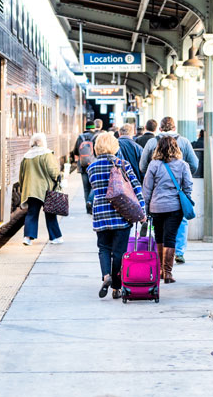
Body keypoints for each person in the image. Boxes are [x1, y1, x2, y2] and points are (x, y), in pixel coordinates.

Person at [87, 133, 146, 299]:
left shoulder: (91, 167)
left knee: (103, 248)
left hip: (101, 215)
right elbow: (136, 189)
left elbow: (96, 190)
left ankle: (106, 276)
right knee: (119, 252)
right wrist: (142, 212)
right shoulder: (123, 165)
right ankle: (116, 288)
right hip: (121, 214)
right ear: (115, 146)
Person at [142, 136, 192, 284]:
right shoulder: (183, 165)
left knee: (159, 236)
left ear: (158, 148)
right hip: (175, 207)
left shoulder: (153, 165)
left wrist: (145, 208)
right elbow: (188, 186)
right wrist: (186, 199)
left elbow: (147, 189)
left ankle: (160, 271)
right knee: (170, 238)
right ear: (176, 148)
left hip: (156, 207)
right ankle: (168, 273)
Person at [19, 133, 63, 246]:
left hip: (32, 190)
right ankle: (55, 237)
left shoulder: (26, 156)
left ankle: (27, 238)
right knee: (50, 213)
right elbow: (53, 171)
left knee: (32, 213)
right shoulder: (47, 154)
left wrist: (23, 187)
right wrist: (59, 177)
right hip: (46, 189)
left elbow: (22, 175)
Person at [73, 121, 96, 213]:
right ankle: (91, 203)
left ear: (86, 127)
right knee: (93, 186)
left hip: (83, 165)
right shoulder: (96, 136)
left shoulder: (80, 137)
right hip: (93, 165)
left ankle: (88, 207)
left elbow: (75, 151)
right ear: (93, 127)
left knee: (86, 188)